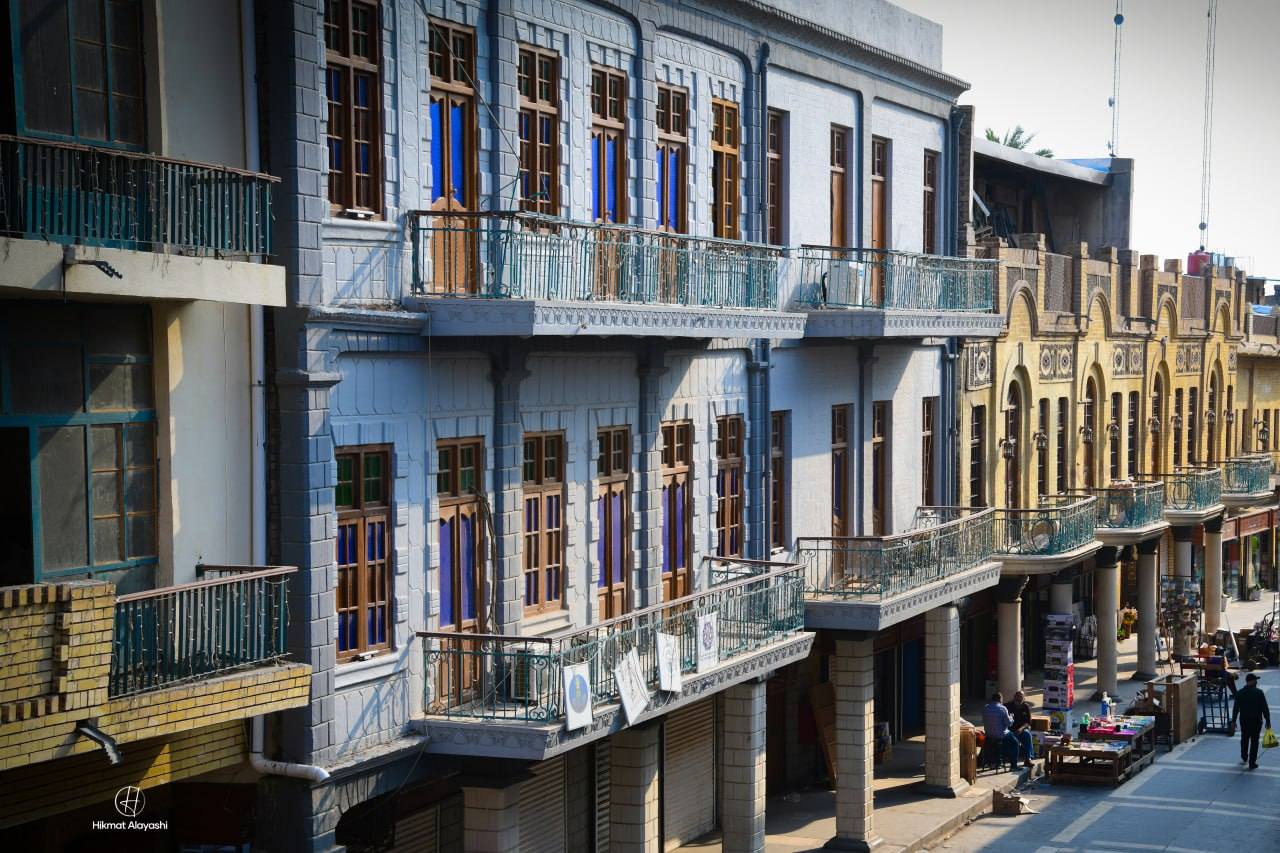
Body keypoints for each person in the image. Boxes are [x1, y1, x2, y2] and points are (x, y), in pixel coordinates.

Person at [1231, 672, 1272, 770]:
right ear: (1252, 681)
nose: (1256, 682)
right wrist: (1268, 720)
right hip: (1256, 721)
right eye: (1255, 680)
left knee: (1244, 738)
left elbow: (1235, 708)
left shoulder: (1240, 693)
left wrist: (1233, 721)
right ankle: (1252, 762)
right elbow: (1264, 708)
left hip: (1244, 721)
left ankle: (1244, 755)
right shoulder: (1259, 693)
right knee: (1254, 742)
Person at [982, 692, 1019, 768]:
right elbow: (1009, 724)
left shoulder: (986, 707)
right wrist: (1011, 717)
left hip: (988, 735)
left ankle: (996, 760)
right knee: (1015, 742)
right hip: (1000, 735)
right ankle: (1014, 765)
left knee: (1002, 740)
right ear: (1000, 699)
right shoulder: (1002, 708)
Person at [1004, 690, 1036, 767]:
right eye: (1017, 696)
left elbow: (1028, 722)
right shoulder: (1007, 706)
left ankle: (1028, 759)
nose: (1019, 698)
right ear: (1014, 697)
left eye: (1021, 697)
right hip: (1009, 730)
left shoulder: (1026, 707)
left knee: (1027, 734)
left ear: (1023, 698)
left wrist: (1021, 729)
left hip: (1020, 730)